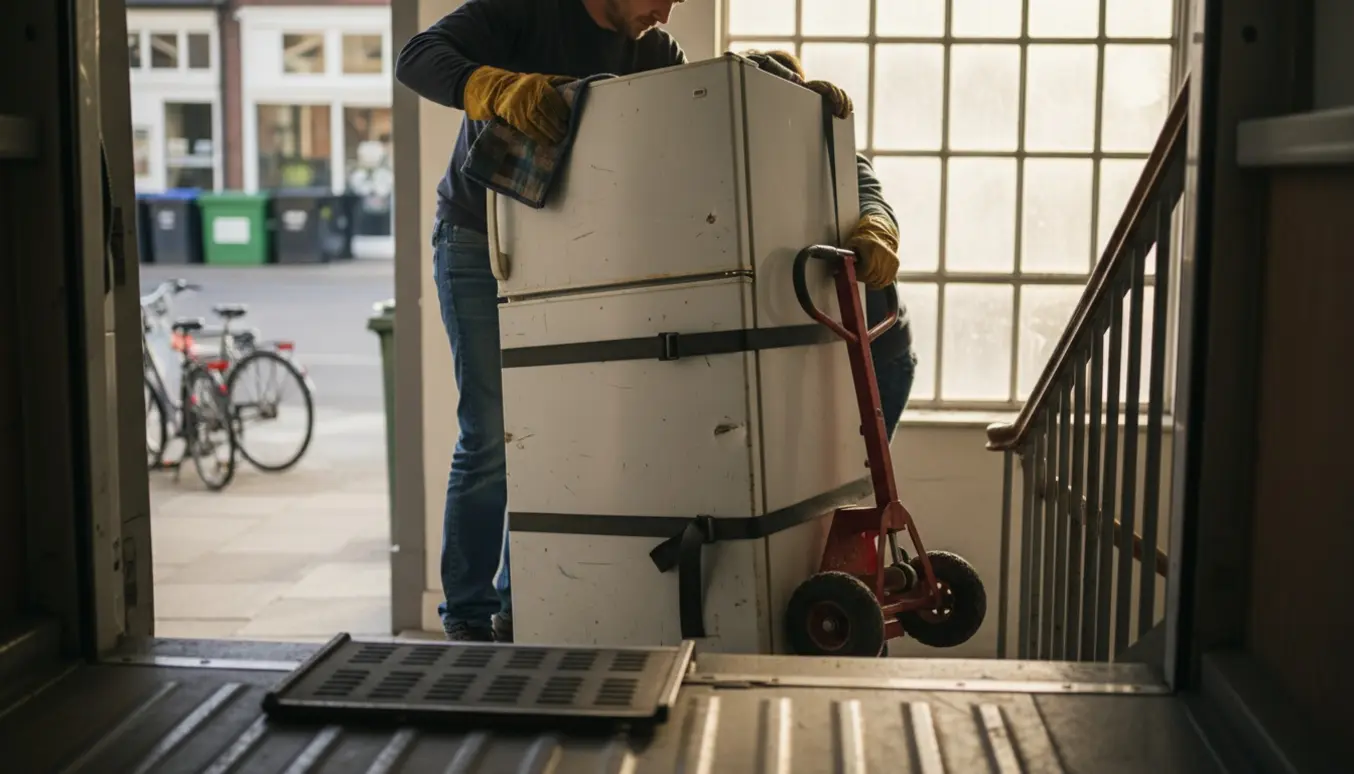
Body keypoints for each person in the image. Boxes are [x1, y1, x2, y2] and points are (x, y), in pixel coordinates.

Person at [395, 1, 908, 643]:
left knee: (549, 434)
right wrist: (491, 87)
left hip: (572, 250)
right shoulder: (526, 8)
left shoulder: (655, 51)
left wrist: (794, 106)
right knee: (493, 435)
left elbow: (692, 121)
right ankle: (467, 619)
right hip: (481, 240)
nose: (665, 12)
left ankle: (514, 606)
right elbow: (416, 58)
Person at [742, 49, 919, 440]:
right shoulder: (746, 166)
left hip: (877, 349)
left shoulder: (835, 156)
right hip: (814, 346)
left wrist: (876, 233)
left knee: (854, 470)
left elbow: (871, 198)